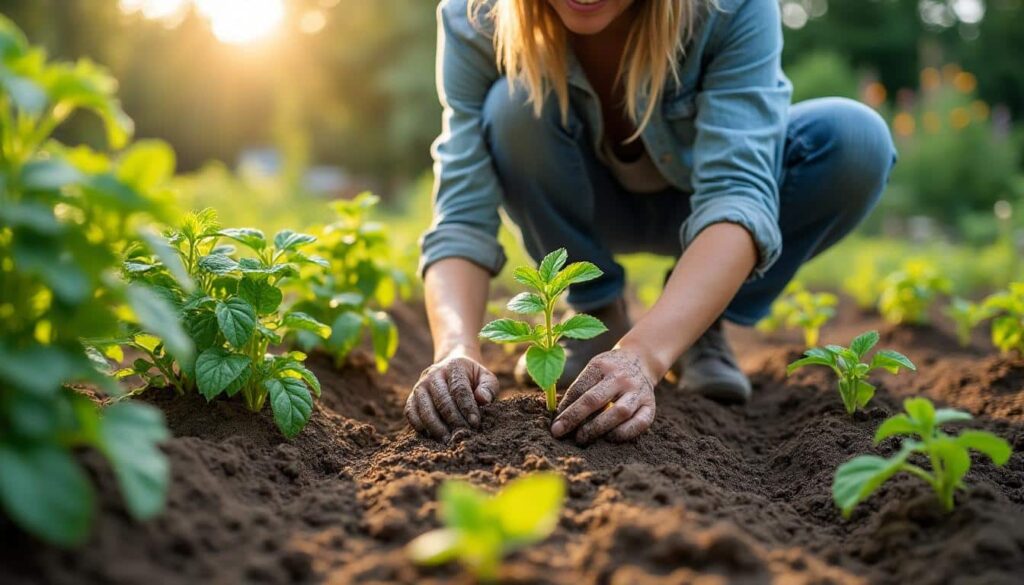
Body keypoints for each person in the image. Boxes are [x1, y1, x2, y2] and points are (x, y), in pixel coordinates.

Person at [405, 0, 895, 444]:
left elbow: (738, 194)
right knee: (509, 106)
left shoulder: (728, 9)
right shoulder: (476, 17)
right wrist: (454, 348)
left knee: (855, 141)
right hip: (588, 206)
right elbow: (461, 212)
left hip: (706, 215)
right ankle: (594, 315)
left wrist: (645, 355)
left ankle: (697, 322)